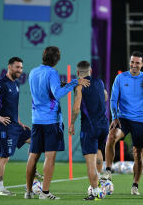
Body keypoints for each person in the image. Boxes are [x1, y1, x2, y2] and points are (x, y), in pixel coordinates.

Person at [25, 46, 90, 200]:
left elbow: (42, 91)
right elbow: (57, 94)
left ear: (43, 56)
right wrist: (75, 82)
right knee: (49, 157)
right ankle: (45, 193)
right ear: (57, 59)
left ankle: (28, 192)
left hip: (36, 120)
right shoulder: (52, 73)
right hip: (51, 121)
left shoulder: (33, 72)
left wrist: (60, 84)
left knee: (33, 156)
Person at [101, 51, 143, 195]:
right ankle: (108, 170)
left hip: (140, 120)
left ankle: (135, 186)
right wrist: (114, 117)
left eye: (137, 63)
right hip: (123, 118)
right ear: (130, 62)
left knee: (138, 154)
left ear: (142, 64)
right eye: (132, 62)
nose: (134, 65)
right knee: (111, 136)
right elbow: (113, 99)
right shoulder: (120, 78)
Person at [0, 57, 38, 196]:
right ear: (9, 67)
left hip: (15, 125)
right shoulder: (1, 84)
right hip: (4, 127)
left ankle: (34, 172)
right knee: (4, 158)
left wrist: (19, 121)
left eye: (21, 67)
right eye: (17, 67)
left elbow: (15, 104)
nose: (20, 70)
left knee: (36, 140)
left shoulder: (16, 84)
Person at [68, 61, 109, 201]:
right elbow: (105, 97)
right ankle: (99, 182)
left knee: (90, 163)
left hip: (90, 127)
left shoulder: (79, 86)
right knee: (98, 152)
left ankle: (95, 192)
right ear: (90, 71)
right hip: (104, 126)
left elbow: (76, 107)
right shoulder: (100, 82)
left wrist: (72, 123)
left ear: (78, 73)